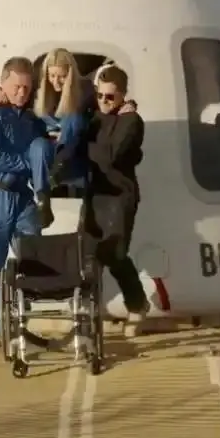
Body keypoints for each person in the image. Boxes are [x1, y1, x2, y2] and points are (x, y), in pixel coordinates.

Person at [0, 56, 53, 345]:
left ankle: (21, 320)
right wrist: (25, 163)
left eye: (27, 88)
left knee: (31, 254)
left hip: (21, 196)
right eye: (16, 86)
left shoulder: (30, 120)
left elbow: (47, 143)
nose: (21, 92)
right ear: (3, 83)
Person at [0, 49, 139, 193]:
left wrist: (129, 104)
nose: (56, 81)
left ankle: (59, 166)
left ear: (70, 74)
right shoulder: (39, 91)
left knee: (73, 118)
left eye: (62, 76)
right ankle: (42, 189)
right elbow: (17, 96)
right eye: (52, 76)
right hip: (47, 146)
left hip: (71, 149)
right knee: (36, 134)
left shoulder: (85, 90)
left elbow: (106, 101)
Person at [83, 65, 151, 338]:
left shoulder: (131, 121)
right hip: (96, 193)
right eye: (100, 95)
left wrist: (81, 146)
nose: (104, 101)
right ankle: (88, 313)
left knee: (115, 253)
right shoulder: (96, 116)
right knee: (88, 252)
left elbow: (111, 155)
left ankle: (137, 304)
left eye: (110, 97)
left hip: (119, 196)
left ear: (122, 94)